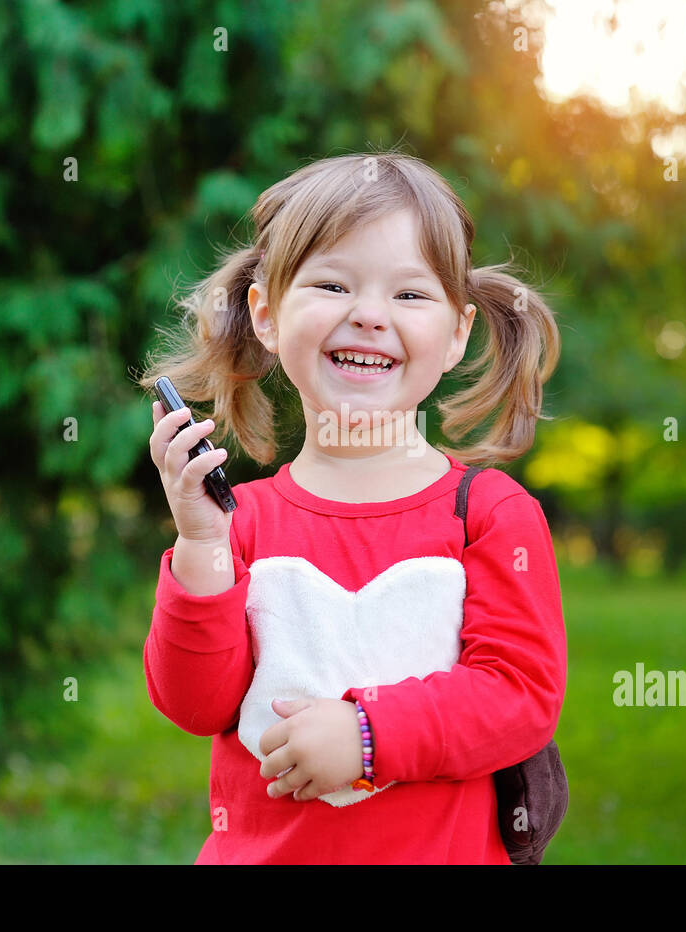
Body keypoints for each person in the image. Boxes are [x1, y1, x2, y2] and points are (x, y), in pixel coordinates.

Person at [140, 150, 566, 863]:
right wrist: (199, 541)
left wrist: (368, 736)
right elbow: (196, 704)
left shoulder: (489, 514)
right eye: (333, 285)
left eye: (409, 295)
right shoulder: (240, 521)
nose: (369, 316)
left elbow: (518, 696)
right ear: (268, 315)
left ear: (457, 333)